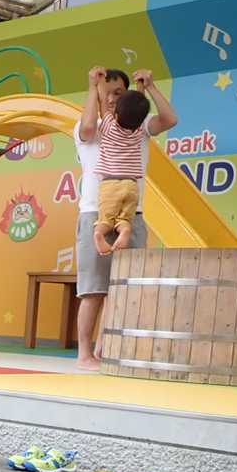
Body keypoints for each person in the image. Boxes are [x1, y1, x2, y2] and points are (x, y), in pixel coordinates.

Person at [73, 66, 178, 371]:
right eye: (106, 93)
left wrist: (150, 87)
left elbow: (169, 119)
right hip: (95, 212)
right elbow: (88, 128)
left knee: (122, 290)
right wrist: (92, 87)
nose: (111, 99)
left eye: (118, 93)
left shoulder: (137, 126)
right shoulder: (92, 125)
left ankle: (106, 350)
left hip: (132, 214)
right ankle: (84, 353)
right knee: (94, 290)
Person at [81, 73, 151, 256]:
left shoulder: (109, 127)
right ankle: (125, 230)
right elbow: (138, 105)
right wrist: (141, 86)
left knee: (105, 219)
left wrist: (97, 84)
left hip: (110, 184)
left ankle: (98, 234)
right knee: (124, 218)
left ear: (117, 113)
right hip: (131, 186)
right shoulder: (137, 131)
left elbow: (104, 106)